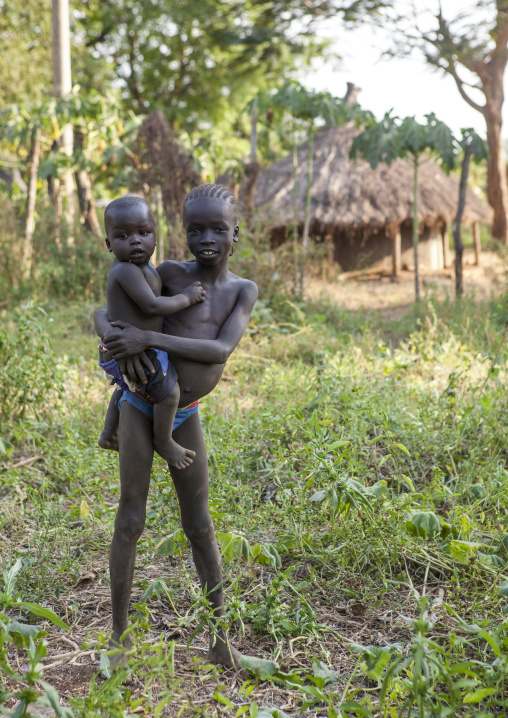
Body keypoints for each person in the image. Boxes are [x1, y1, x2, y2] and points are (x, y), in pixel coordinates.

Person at [94, 184, 258, 670]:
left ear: (235, 234)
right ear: (182, 232)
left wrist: (145, 336)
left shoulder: (241, 290)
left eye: (217, 229)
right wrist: (114, 338)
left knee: (200, 525)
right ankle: (120, 638)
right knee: (130, 517)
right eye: (194, 229)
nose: (206, 238)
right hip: (141, 404)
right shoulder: (166, 273)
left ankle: (221, 640)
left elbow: (218, 351)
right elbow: (106, 312)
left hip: (184, 413)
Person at [98, 196, 206, 470]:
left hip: (131, 347)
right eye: (123, 236)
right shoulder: (125, 270)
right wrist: (187, 297)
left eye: (143, 233)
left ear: (155, 236)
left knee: (126, 385)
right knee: (169, 394)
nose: (135, 241)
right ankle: (164, 440)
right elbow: (153, 305)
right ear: (109, 243)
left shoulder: (142, 268)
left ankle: (109, 432)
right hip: (138, 350)